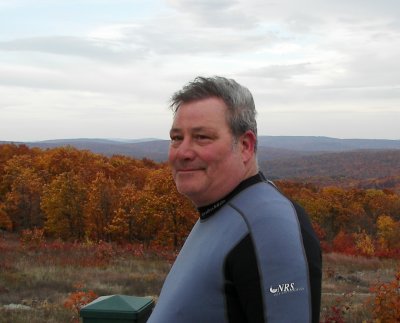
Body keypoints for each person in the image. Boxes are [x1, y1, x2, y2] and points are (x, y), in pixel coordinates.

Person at [147, 76, 322, 323]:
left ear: (245, 146)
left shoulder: (269, 227)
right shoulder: (220, 214)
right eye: (177, 138)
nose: (183, 152)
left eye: (202, 137)